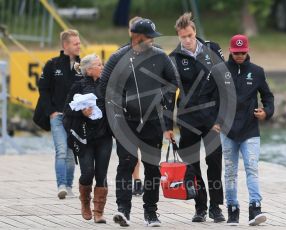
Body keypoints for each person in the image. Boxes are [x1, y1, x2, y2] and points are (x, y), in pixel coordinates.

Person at [98, 18, 177, 227]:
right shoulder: (118, 57)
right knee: (126, 164)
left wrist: (164, 108)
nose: (152, 40)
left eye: (153, 37)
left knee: (152, 168)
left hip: (152, 122)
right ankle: (123, 210)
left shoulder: (160, 57)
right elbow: (103, 87)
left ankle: (151, 213)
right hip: (125, 122)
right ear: (136, 37)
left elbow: (174, 82)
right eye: (149, 37)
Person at [169, 12, 225, 223]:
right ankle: (200, 206)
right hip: (188, 119)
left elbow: (224, 84)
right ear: (178, 36)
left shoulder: (213, 49)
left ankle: (216, 207)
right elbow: (167, 94)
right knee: (191, 164)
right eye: (183, 37)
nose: (188, 40)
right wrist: (167, 125)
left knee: (215, 163)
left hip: (212, 119)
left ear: (195, 32)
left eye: (190, 35)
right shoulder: (173, 58)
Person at [219, 34, 274, 226]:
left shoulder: (257, 72)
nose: (240, 55)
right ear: (230, 51)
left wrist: (266, 112)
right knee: (230, 171)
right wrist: (214, 120)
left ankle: (255, 208)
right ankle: (232, 210)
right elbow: (209, 98)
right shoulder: (221, 70)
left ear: (248, 50)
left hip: (250, 130)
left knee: (252, 168)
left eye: (243, 52)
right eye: (236, 53)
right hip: (227, 131)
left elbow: (268, 97)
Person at [63, 54, 113, 223]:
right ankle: (85, 202)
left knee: (101, 173)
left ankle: (99, 211)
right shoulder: (78, 85)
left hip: (104, 135)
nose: (102, 67)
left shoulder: (107, 85)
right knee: (87, 173)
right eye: (99, 65)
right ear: (90, 69)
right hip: (84, 137)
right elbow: (67, 113)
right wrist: (81, 112)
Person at [38, 29, 82, 199]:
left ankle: (69, 186)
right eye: (75, 43)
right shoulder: (52, 65)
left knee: (71, 153)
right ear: (65, 45)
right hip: (58, 117)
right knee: (61, 150)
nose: (79, 46)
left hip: (75, 118)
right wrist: (51, 112)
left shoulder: (81, 65)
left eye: (79, 43)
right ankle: (61, 185)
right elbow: (43, 90)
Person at [128, 16, 144, 196]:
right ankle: (137, 180)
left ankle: (152, 178)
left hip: (148, 108)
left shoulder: (156, 52)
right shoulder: (123, 52)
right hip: (131, 109)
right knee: (132, 148)